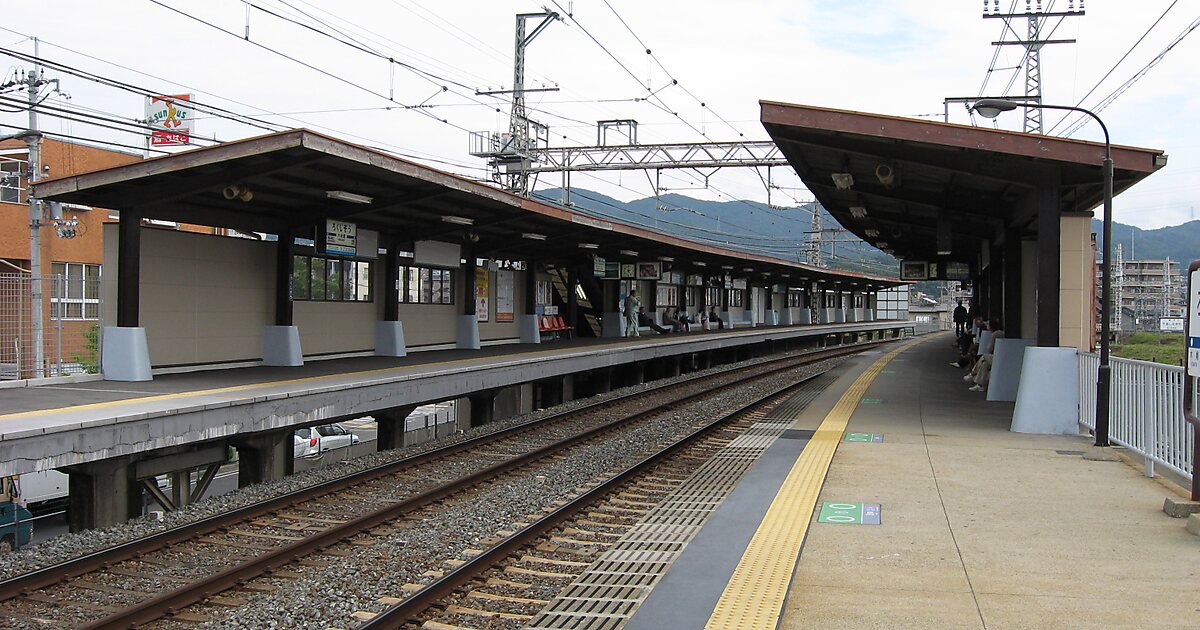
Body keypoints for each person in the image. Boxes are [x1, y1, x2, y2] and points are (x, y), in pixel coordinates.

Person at [966, 317, 1004, 392]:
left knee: (984, 356)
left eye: (988, 324)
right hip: (1000, 357)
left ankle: (973, 373)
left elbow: (989, 348)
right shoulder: (1001, 333)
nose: (986, 325)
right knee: (984, 364)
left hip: (997, 358)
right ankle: (980, 385)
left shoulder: (995, 334)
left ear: (991, 326)